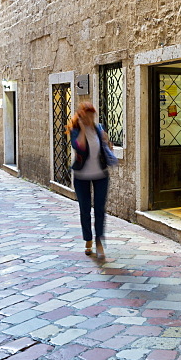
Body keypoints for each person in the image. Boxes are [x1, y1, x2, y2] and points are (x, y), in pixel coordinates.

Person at [69, 102, 112, 260]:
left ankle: (99, 242)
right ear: (81, 115)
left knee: (100, 210)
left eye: (92, 114)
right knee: (85, 210)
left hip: (101, 174)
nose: (91, 118)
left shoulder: (99, 129)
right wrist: (81, 129)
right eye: (87, 114)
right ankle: (88, 240)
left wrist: (107, 142)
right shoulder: (75, 131)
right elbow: (79, 147)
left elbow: (107, 149)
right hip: (81, 176)